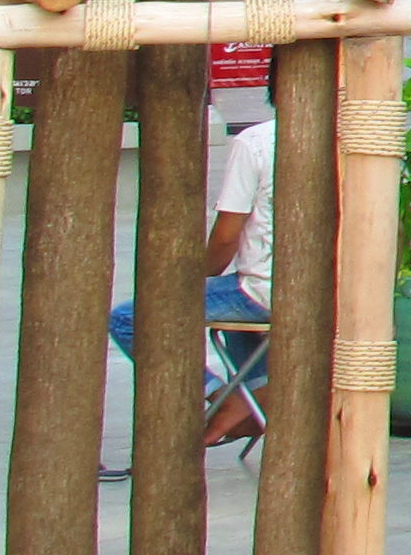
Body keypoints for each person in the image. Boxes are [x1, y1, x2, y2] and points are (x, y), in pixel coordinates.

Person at [103, 112, 280, 477]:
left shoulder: (257, 141)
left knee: (128, 318)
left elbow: (226, 237)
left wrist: (189, 280)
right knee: (232, 302)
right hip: (332, 295)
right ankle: (257, 397)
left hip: (264, 290)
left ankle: (225, 397)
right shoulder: (354, 136)